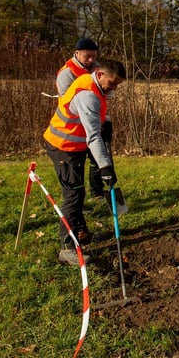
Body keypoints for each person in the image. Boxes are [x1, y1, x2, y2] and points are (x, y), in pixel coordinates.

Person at [43, 59, 126, 265]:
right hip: (63, 146)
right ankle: (67, 249)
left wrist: (104, 122)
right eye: (112, 83)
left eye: (117, 85)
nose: (114, 88)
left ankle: (79, 231)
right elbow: (93, 137)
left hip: (74, 146)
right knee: (73, 194)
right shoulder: (88, 95)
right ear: (100, 75)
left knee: (77, 192)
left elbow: (94, 121)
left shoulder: (95, 87)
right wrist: (105, 167)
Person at [55, 37, 109, 202]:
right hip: (74, 126)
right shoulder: (67, 73)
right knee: (76, 167)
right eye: (87, 56)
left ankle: (97, 192)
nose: (91, 60)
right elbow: (70, 101)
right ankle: (75, 200)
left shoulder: (97, 69)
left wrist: (103, 120)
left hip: (95, 119)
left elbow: (105, 93)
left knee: (97, 156)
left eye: (94, 56)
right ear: (77, 53)